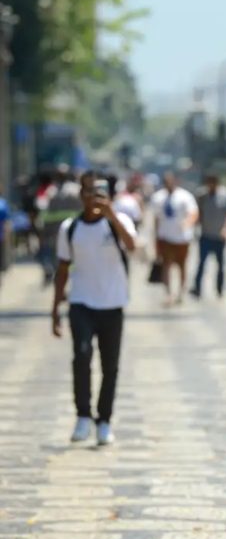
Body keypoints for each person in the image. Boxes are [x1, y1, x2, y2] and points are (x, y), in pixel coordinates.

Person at [52, 171, 136, 445]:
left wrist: (111, 215)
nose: (93, 198)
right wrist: (55, 308)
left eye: (99, 192)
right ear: (81, 195)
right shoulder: (70, 228)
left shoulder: (118, 221)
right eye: (88, 192)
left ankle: (104, 421)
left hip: (112, 304)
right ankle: (83, 416)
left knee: (110, 365)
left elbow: (133, 246)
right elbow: (62, 268)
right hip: (81, 303)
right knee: (82, 356)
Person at [151, 171, 198, 306]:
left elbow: (193, 213)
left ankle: (181, 292)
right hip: (165, 237)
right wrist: (156, 238)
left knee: (182, 266)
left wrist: (187, 223)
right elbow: (156, 219)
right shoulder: (158, 198)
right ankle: (168, 293)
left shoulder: (185, 196)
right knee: (166, 265)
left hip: (182, 239)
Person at [190, 174, 226, 299]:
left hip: (219, 237)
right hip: (206, 235)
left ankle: (219, 288)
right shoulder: (202, 195)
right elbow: (198, 212)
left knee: (220, 265)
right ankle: (197, 288)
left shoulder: (225, 195)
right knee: (201, 263)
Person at [38, 170, 80, 285]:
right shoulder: (74, 189)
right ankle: (64, 278)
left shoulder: (51, 191)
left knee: (62, 254)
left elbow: (43, 212)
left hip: (62, 229)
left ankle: (64, 277)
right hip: (64, 230)